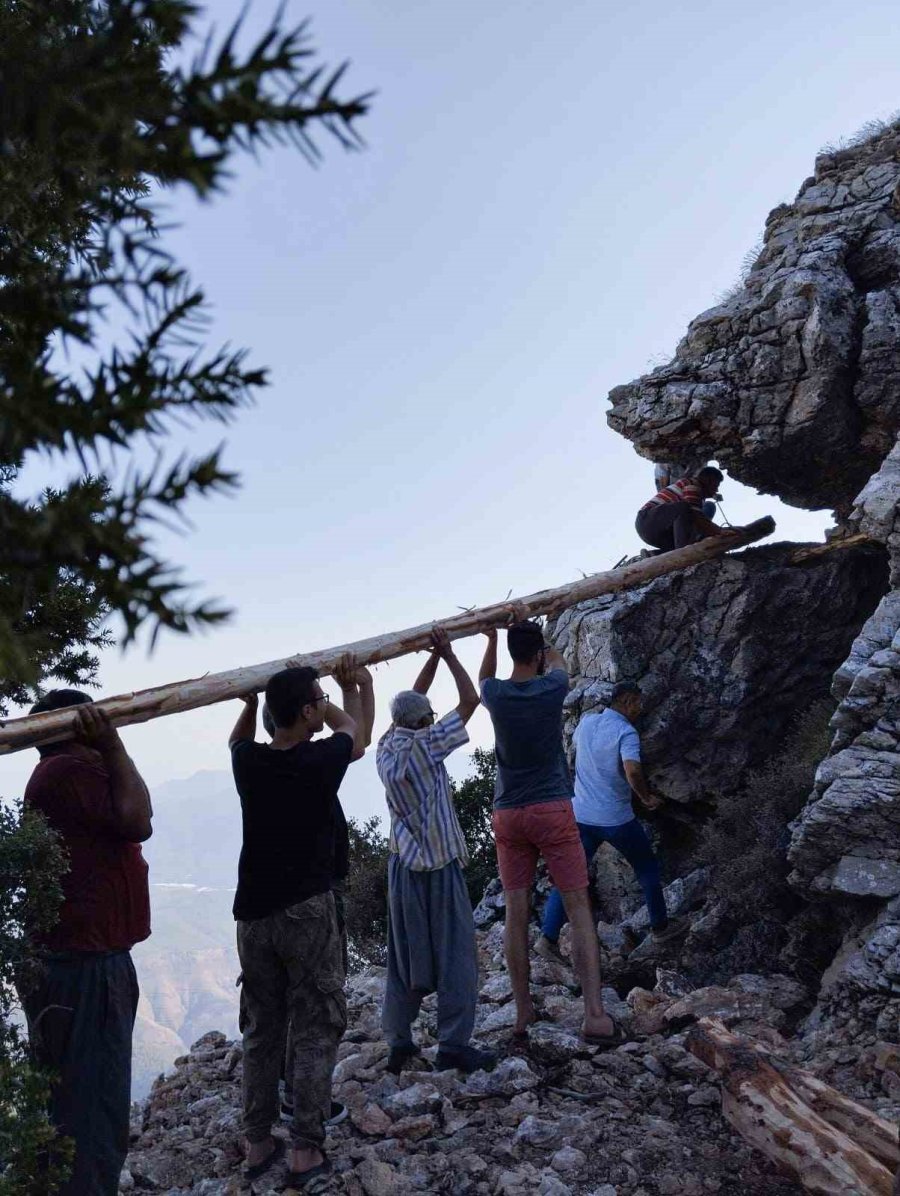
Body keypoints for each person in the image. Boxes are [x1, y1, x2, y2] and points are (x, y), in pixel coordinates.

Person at [229, 655, 370, 1187]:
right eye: (314, 701)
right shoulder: (319, 761)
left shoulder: (250, 763)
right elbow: (352, 732)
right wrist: (339, 694)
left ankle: (258, 1142)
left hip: (253, 915)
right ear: (307, 710)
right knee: (315, 1024)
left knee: (262, 1029)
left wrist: (248, 705)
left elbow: (237, 740)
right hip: (306, 910)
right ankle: (306, 1150)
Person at [18, 690, 153, 1196]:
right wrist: (114, 746)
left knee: (72, 1104)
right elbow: (139, 819)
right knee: (93, 1109)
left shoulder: (57, 773)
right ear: (82, 728)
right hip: (87, 967)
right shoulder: (71, 773)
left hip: (77, 961)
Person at [479, 620, 620, 1045]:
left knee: (515, 914)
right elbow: (558, 661)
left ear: (509, 654)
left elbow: (484, 676)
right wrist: (547, 637)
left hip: (508, 812)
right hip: (551, 807)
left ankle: (523, 1012)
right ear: (537, 654)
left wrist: (488, 637)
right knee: (578, 907)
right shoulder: (551, 688)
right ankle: (594, 1015)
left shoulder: (496, 695)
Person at [376, 627, 495, 1076]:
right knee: (457, 955)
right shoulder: (429, 746)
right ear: (426, 722)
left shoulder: (389, 750)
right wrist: (448, 655)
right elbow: (470, 700)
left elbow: (410, 705)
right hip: (439, 867)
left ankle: (400, 1041)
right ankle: (453, 1045)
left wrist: (429, 659)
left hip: (401, 869)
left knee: (404, 957)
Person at [538, 681, 688, 963]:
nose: (640, 709)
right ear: (627, 701)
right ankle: (660, 928)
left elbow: (573, 757)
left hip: (581, 816)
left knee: (569, 876)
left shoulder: (586, 723)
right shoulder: (626, 732)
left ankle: (547, 938)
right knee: (647, 869)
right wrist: (645, 798)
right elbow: (632, 770)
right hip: (616, 818)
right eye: (638, 703)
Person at [637, 465, 735, 553]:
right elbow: (697, 517)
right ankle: (684, 551)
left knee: (691, 532)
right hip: (647, 522)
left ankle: (654, 555)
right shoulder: (692, 485)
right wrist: (719, 531)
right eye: (716, 485)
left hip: (659, 532)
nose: (716, 490)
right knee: (686, 508)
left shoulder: (698, 495)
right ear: (708, 480)